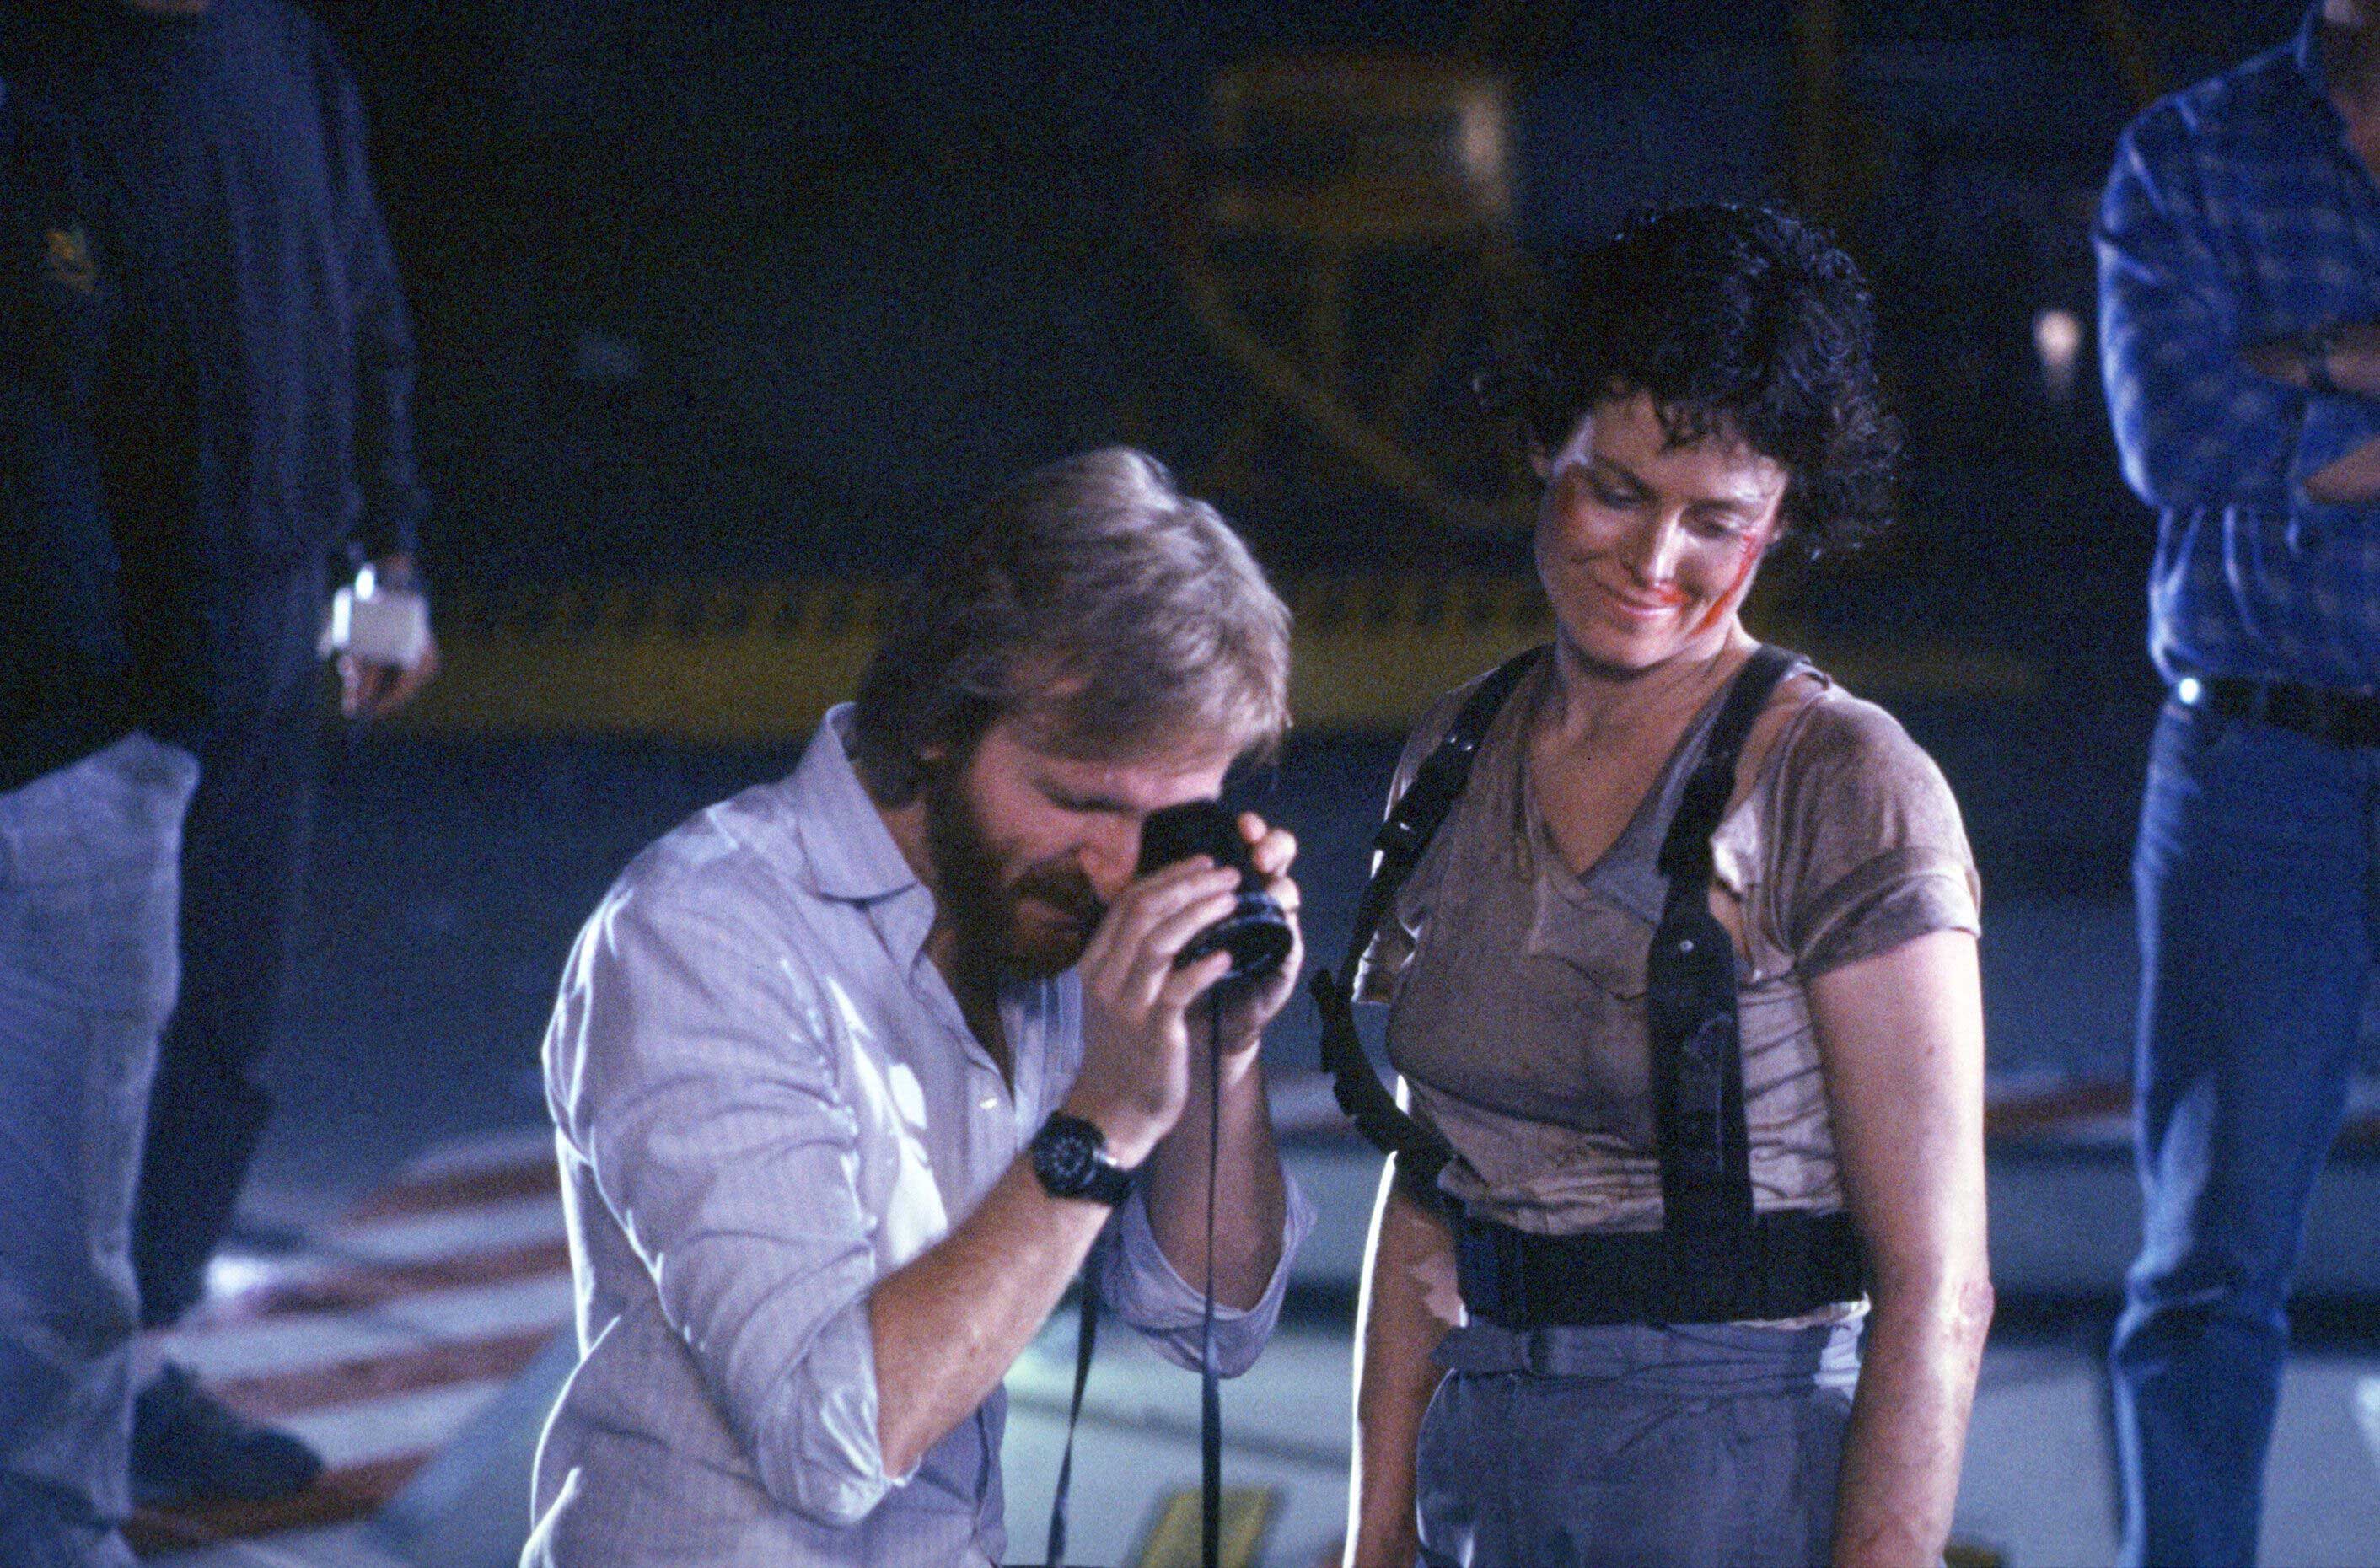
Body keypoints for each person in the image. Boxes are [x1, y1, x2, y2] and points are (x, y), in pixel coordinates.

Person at [1338, 204, 1993, 1568]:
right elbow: (1426, 1196)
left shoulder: (1844, 783)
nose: (1653, 564)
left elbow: (1939, 1286)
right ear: (1541, 444)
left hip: (1739, 1463)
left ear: (1784, 521)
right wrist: (1375, 1534)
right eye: (1617, 491)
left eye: (1719, 521)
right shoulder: (1454, 754)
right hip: (1486, 1444)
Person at [523, 448, 1315, 1566]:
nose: (1114, 872)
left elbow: (1213, 1322)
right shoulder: (706, 935)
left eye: (1172, 820)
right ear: (941, 718)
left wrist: (1214, 1056)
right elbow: (832, 1441)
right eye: (1079, 800)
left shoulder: (1040, 918)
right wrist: (1100, 1129)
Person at [11, 0, 438, 1504]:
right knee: (65, 1083)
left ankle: (127, 1380)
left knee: (213, 1045)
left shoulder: (286, 57)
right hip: (88, 689)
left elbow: (364, 297)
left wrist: (389, 554)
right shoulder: (41, 70)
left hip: (261, 640)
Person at [2097, 3, 2380, 1561]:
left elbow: (2244, 414)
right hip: (2260, 761)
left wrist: (2314, 362)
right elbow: (2177, 432)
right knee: (2209, 1263)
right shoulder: (2192, 154)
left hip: (2261, 755)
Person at [0, 74, 200, 1567]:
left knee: (70, 1255)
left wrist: (161, 726)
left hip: (77, 769)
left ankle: (60, 1534)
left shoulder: (50, 143)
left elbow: (161, 420)